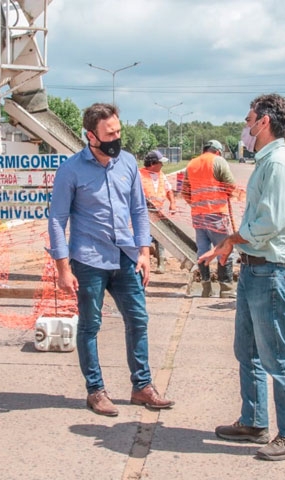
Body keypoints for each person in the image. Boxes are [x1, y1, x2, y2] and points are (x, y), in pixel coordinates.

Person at [200, 94, 285, 461]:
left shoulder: (278, 164)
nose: (245, 127)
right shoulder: (266, 162)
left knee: (276, 355)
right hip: (255, 269)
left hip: (273, 271)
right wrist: (233, 245)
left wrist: (231, 239)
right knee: (246, 351)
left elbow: (269, 223)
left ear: (263, 122)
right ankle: (254, 421)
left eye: (248, 120)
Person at [48, 103, 174, 417]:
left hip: (126, 256)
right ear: (91, 135)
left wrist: (144, 252)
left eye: (118, 131)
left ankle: (142, 386)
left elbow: (139, 210)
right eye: (109, 133)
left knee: (139, 320)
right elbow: (56, 220)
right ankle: (96, 391)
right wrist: (63, 268)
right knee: (90, 326)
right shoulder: (71, 169)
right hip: (88, 260)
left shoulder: (127, 163)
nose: (116, 138)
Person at [181, 140, 236, 298]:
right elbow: (230, 185)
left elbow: (185, 191)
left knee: (203, 252)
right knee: (224, 250)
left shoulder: (191, 164)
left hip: (198, 216)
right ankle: (226, 290)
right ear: (217, 151)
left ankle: (206, 288)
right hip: (217, 214)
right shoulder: (218, 161)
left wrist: (197, 204)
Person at [140, 149, 177, 273]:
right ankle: (144, 261)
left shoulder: (162, 175)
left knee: (160, 238)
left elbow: (169, 190)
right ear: (152, 163)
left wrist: (172, 203)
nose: (162, 165)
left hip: (158, 212)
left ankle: (161, 263)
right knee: (144, 237)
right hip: (144, 213)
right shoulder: (139, 175)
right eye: (160, 163)